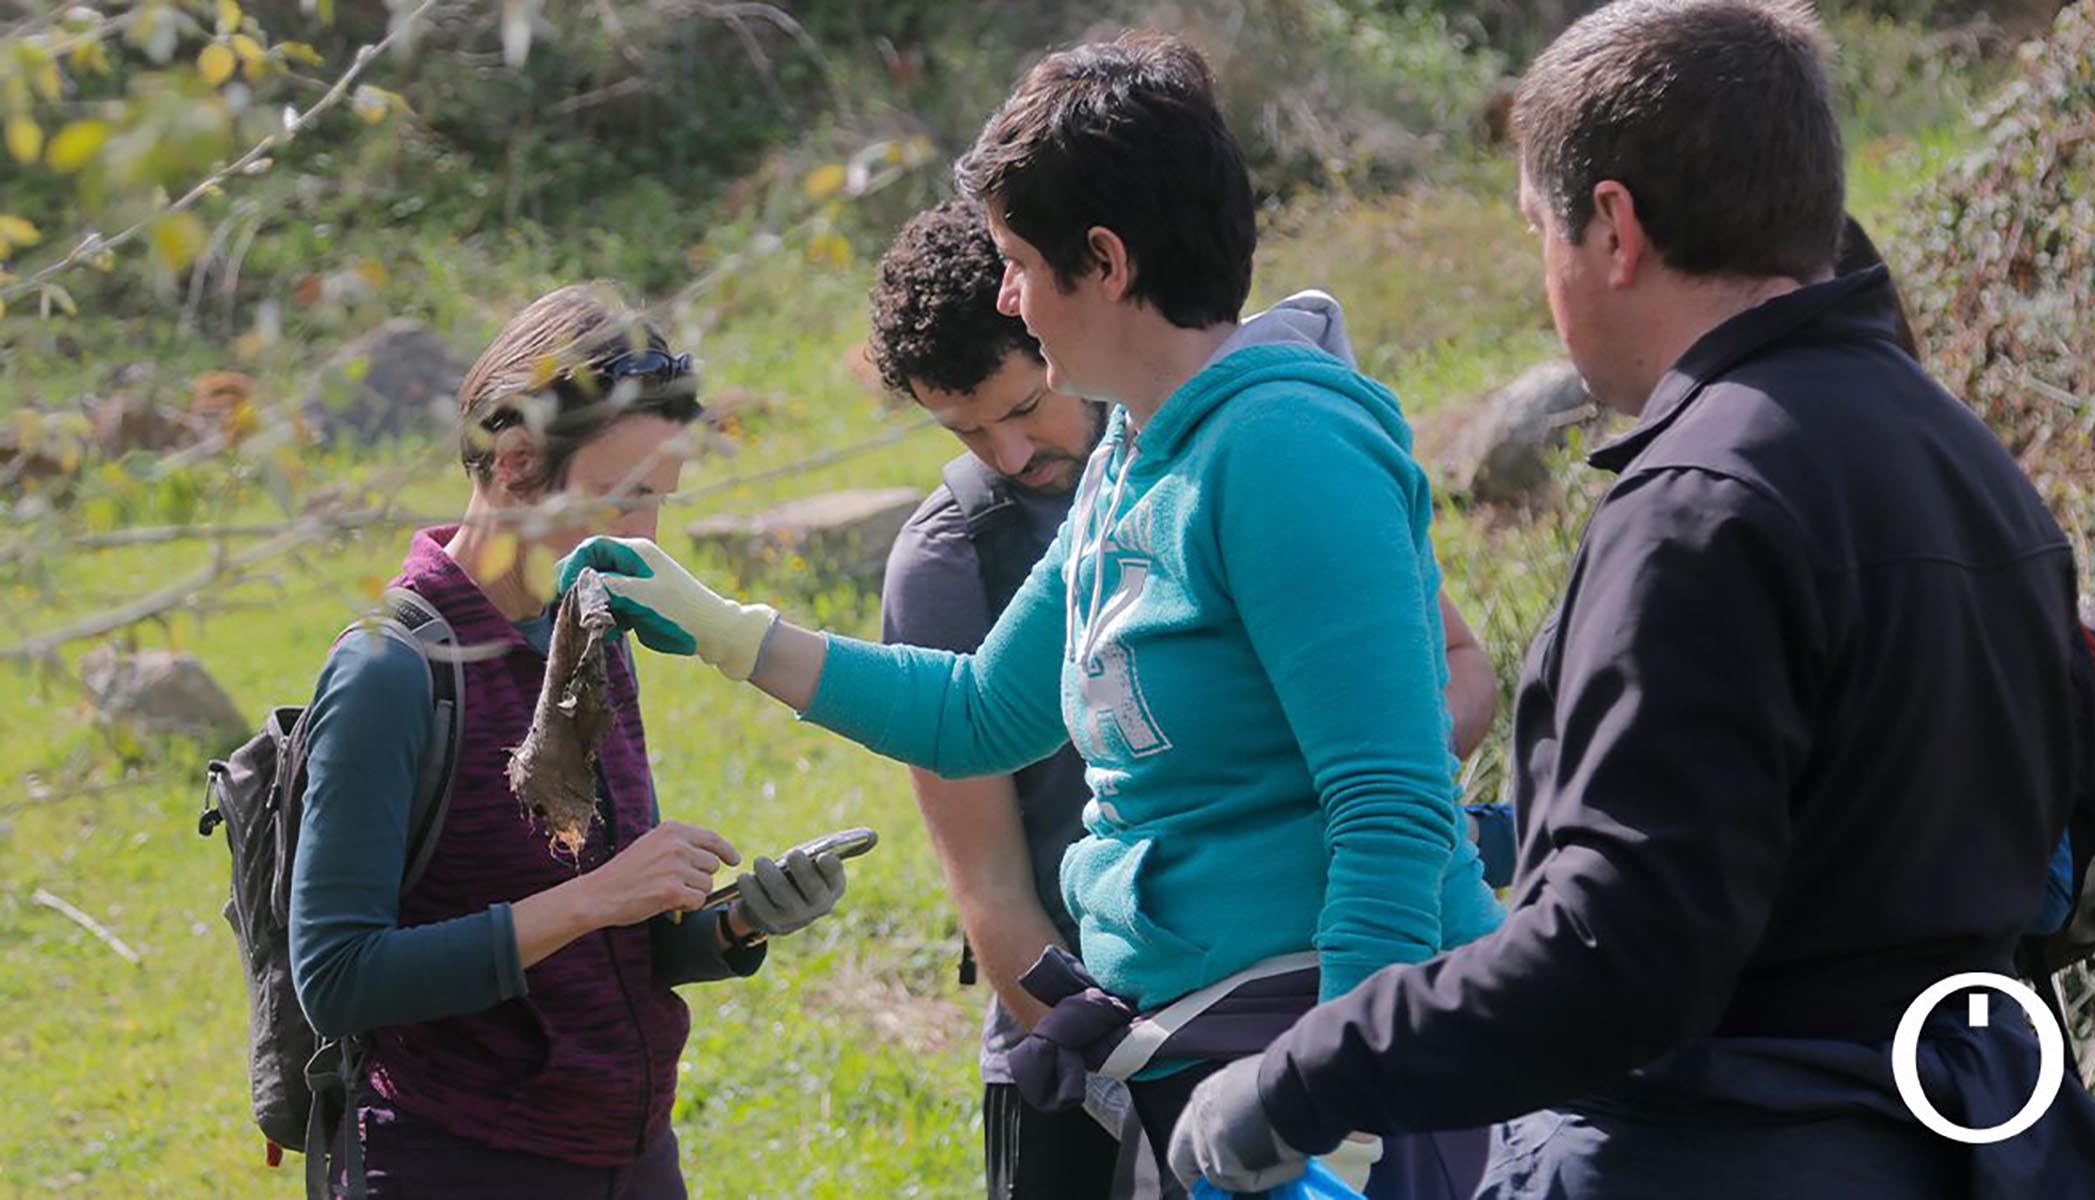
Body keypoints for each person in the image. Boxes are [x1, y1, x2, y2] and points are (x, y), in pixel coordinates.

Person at [1163, 4, 2095, 1197]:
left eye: (1540, 232)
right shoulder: (1974, 468)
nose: (1547, 280)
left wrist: (1302, 1072)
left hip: (1729, 1146)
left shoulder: (1702, 506)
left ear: (1613, 228)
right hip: (1976, 1137)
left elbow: (1620, 957)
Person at [563, 32, 1504, 1198]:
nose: (1004, 291)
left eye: (1015, 260)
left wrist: (1344, 1101)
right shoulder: (1132, 457)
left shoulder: (1284, 452)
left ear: (1103, 261)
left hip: (1328, 1071)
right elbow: (979, 715)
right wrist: (724, 631)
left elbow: (1393, 806)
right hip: (1216, 1055)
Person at [869, 198, 1512, 1197]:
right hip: (1094, 1040)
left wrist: (1357, 777)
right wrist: (1118, 1071)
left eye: (1022, 406)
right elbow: (988, 880)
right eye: (964, 431)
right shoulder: (953, 558)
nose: (1006, 453)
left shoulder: (1257, 453)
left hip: (1318, 998)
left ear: (1068, 323)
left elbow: (1454, 671)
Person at [287, 284, 851, 1198]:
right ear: (512, 462)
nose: (646, 538)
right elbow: (340, 978)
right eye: (620, 499)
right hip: (461, 1163)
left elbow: (613, 937)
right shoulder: (390, 671)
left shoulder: (589, 634)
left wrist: (735, 922)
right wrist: (597, 897)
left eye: (659, 500)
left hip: (628, 1157)